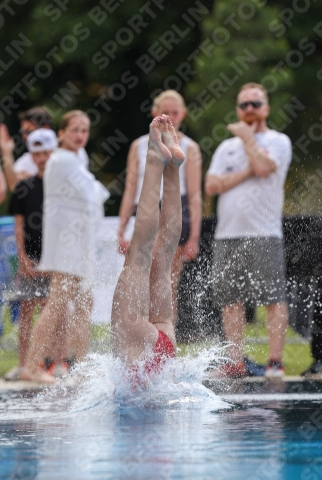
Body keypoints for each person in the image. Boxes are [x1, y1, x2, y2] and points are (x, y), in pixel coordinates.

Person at [205, 82, 292, 378]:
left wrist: (248, 140)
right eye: (244, 105)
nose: (249, 109)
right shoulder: (225, 147)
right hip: (227, 234)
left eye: (255, 103)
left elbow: (266, 167)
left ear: (266, 108)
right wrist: (245, 171)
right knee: (230, 300)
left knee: (272, 298)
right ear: (237, 110)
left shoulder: (279, 140)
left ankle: (275, 362)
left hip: (264, 233)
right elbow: (212, 185)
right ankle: (235, 361)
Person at [23, 110, 109, 382]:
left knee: (84, 302)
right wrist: (95, 190)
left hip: (79, 240)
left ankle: (82, 368)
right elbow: (92, 193)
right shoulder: (61, 160)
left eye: (84, 130)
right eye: (75, 129)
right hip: (66, 243)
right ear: (61, 133)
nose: (80, 135)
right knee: (58, 302)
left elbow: (91, 195)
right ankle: (32, 367)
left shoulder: (76, 158)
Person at [117, 90, 202, 323]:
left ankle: (165, 336)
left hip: (176, 208)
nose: (171, 117)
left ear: (183, 114)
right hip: (146, 207)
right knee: (139, 275)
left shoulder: (190, 147)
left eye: (176, 113)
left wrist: (194, 235)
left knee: (166, 279)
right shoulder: (137, 146)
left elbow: (195, 194)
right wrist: (121, 227)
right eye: (167, 112)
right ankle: (142, 333)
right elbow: (130, 188)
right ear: (155, 113)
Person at [111, 115, 184, 370]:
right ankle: (162, 164)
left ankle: (169, 166)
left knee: (162, 256)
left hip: (166, 340)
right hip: (146, 346)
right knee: (141, 256)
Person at [4, 129, 69, 381]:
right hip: (30, 261)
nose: (41, 158)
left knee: (57, 312)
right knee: (27, 311)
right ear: (32, 155)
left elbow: (65, 228)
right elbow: (19, 226)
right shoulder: (23, 188)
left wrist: (55, 261)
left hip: (54, 261)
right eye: (37, 153)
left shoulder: (62, 188)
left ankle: (58, 362)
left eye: (46, 152)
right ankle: (25, 364)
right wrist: (23, 259)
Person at [0, 107, 89, 191]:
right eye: (23, 132)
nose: (24, 137)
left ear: (46, 128)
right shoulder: (27, 160)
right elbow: (15, 187)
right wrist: (6, 153)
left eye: (29, 131)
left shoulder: (77, 153)